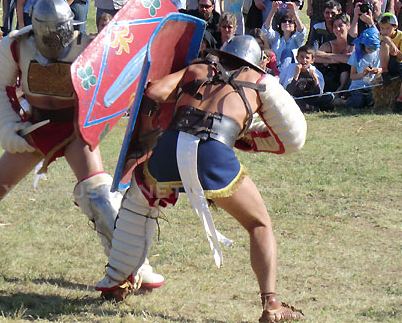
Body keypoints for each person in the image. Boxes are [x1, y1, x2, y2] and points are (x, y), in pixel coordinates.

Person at [0, 0, 164, 291]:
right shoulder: (17, 45)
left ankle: (132, 266)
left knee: (100, 198)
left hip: (76, 129)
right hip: (37, 127)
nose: (54, 38)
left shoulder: (90, 45)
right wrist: (8, 128)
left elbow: (120, 79)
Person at [95, 35, 306, 323]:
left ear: (223, 53)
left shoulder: (199, 69)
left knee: (138, 202)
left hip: (170, 146)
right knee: (259, 224)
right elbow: (293, 137)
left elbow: (155, 91)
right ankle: (271, 305)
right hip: (213, 153)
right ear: (255, 62)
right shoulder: (260, 81)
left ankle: (116, 281)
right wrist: (248, 138)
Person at [378, 12, 402, 113]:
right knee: (384, 45)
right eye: (382, 28)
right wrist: (389, 43)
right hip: (390, 62)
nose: (384, 31)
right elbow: (385, 46)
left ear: (395, 27)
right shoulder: (381, 35)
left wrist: (393, 46)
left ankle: (400, 100)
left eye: (387, 28)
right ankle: (384, 72)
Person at [280, 44, 332, 112]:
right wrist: (296, 75)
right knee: (287, 99)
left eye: (307, 58)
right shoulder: (289, 69)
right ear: (297, 58)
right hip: (295, 98)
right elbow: (288, 92)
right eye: (301, 57)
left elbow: (318, 94)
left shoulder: (316, 72)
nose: (304, 60)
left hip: (310, 99)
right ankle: (310, 107)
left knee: (329, 96)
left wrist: (315, 78)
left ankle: (308, 106)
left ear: (312, 60)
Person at [314, 13, 353, 93]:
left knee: (344, 66)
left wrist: (326, 55)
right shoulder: (329, 45)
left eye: (340, 25)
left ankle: (341, 89)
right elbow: (314, 57)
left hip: (350, 76)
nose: (338, 29)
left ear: (348, 26)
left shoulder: (353, 44)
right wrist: (333, 61)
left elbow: (348, 59)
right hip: (332, 77)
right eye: (335, 27)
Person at [262, 1, 306, 70]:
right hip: (274, 70)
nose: (287, 23)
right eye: (284, 21)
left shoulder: (296, 40)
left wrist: (294, 14)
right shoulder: (276, 38)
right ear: (280, 25)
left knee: (287, 52)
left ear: (295, 25)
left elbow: (302, 32)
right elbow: (266, 30)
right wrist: (272, 11)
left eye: (290, 21)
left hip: (290, 71)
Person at [344, 27, 381, 109]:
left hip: (373, 85)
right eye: (369, 48)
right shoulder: (356, 54)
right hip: (358, 86)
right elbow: (352, 76)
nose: (371, 50)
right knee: (358, 102)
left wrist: (378, 70)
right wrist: (363, 74)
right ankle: (344, 101)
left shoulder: (379, 52)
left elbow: (385, 69)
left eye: (374, 49)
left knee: (372, 100)